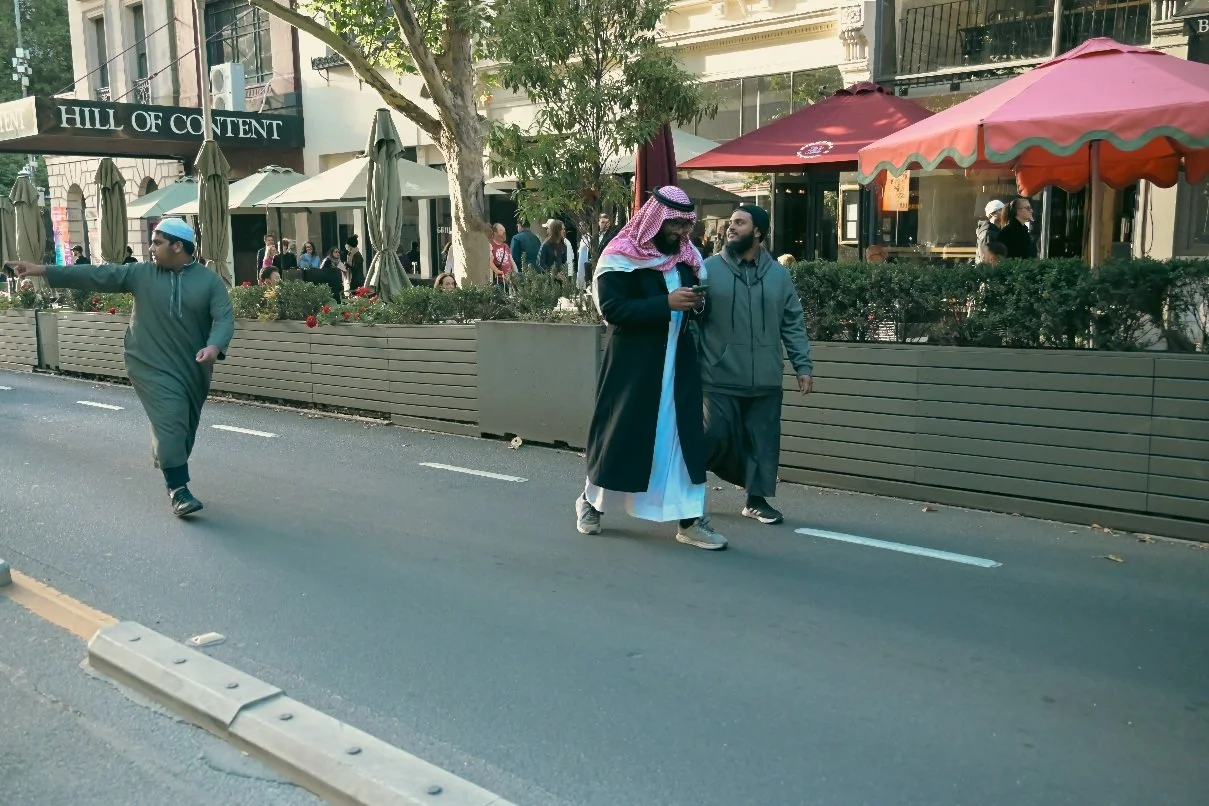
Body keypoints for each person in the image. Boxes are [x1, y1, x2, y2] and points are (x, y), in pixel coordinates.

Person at [5, 218, 234, 517]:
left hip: (192, 367)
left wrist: (214, 346)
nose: (151, 248)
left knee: (184, 424)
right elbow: (96, 274)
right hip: (148, 363)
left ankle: (172, 462)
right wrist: (42, 270)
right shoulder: (140, 273)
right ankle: (178, 489)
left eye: (157, 242)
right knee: (171, 416)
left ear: (178, 246)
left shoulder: (209, 282)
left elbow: (224, 318)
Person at [575, 186, 726, 551]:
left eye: (685, 225)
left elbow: (701, 306)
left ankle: (690, 519)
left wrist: (696, 305)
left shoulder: (688, 257)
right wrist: (665, 303)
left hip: (679, 365)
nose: (681, 233)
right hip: (634, 367)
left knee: (681, 440)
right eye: (674, 225)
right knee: (622, 435)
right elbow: (613, 310)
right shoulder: (619, 256)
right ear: (655, 221)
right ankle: (592, 502)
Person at [699, 205, 813, 526]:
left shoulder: (779, 275)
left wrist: (802, 366)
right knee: (712, 435)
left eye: (739, 222)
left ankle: (756, 500)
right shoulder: (707, 270)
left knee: (763, 442)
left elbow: (792, 322)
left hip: (765, 377)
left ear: (758, 232)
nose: (730, 227)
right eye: (730, 222)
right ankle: (687, 490)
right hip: (717, 376)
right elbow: (693, 322)